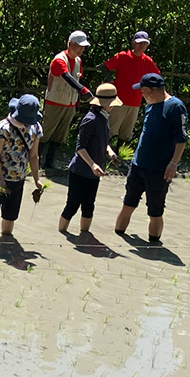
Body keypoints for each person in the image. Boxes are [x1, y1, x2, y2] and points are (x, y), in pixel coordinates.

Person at [114, 73, 187, 245]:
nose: (141, 94)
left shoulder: (175, 107)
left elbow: (181, 138)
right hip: (138, 165)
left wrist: (173, 163)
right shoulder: (149, 105)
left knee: (155, 212)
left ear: (150, 91)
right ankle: (117, 237)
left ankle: (154, 246)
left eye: (143, 91)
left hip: (159, 169)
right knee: (128, 204)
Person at [0, 95, 42, 241]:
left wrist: (37, 180)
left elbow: (34, 156)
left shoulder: (36, 127)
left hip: (19, 177)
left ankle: (6, 248)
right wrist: (1, 181)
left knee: (10, 217)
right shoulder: (2, 129)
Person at [59, 83, 119, 235]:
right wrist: (93, 165)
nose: (112, 107)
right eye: (111, 104)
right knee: (72, 205)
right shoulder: (90, 120)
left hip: (94, 172)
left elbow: (103, 142)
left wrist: (111, 153)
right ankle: (62, 234)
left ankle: (85, 235)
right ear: (103, 104)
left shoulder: (104, 118)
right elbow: (80, 147)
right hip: (80, 171)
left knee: (89, 205)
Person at [41, 30, 93, 170]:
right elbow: (67, 77)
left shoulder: (78, 61)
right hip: (55, 101)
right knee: (45, 133)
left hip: (69, 103)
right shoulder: (59, 60)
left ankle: (48, 162)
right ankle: (35, 159)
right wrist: (83, 90)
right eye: (79, 46)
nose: (81, 49)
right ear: (70, 44)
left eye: (83, 47)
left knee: (60, 135)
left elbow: (75, 79)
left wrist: (76, 101)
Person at [102, 31, 160, 153]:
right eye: (139, 43)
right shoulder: (123, 56)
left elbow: (157, 76)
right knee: (110, 129)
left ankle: (120, 157)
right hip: (118, 100)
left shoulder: (147, 61)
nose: (142, 46)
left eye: (144, 44)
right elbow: (104, 67)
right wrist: (110, 80)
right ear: (133, 43)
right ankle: (101, 153)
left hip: (135, 102)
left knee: (126, 132)